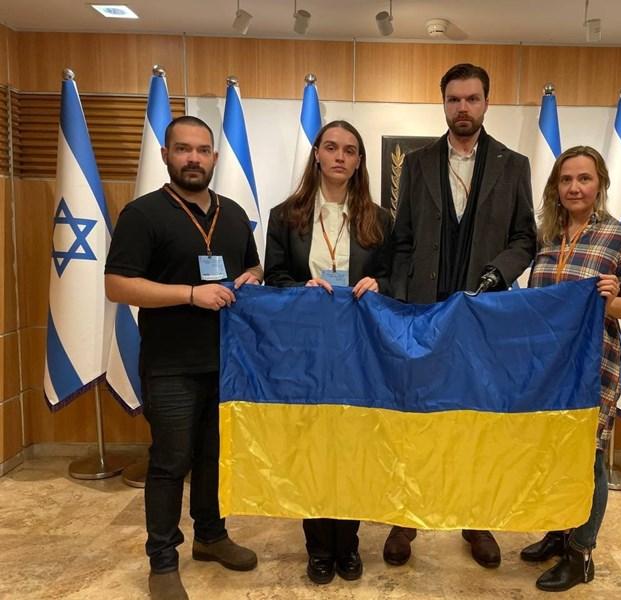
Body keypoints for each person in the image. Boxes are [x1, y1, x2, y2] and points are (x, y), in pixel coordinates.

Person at [105, 116, 262, 600]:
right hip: (170, 364)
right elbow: (117, 285)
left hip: (228, 364)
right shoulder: (143, 214)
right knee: (171, 461)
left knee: (214, 457)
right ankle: (162, 559)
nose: (193, 158)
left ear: (214, 157)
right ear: (166, 155)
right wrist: (191, 294)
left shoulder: (234, 214)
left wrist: (254, 277)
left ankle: (210, 536)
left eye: (202, 150)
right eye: (183, 149)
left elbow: (252, 265)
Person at [387, 63, 536, 568]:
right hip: (424, 316)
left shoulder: (514, 165)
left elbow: (525, 239)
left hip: (483, 316)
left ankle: (477, 520)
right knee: (416, 419)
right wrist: (405, 305)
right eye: (454, 99)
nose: (463, 108)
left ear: (487, 103)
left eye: (472, 99)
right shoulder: (417, 164)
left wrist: (497, 275)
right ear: (443, 104)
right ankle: (404, 518)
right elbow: (402, 240)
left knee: (477, 422)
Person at [263, 120, 393, 584]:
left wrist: (381, 283)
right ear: (317, 153)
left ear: (359, 161)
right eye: (332, 147)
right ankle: (318, 547)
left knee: (353, 447)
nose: (340, 156)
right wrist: (301, 288)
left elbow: (397, 276)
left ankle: (348, 544)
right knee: (313, 447)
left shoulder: (380, 219)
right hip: (307, 350)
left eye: (350, 150)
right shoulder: (285, 215)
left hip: (360, 352)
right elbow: (274, 277)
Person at [520, 146, 621, 592]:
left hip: (594, 366)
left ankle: (581, 553)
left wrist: (609, 301)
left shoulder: (620, 236)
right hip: (549, 367)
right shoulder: (547, 237)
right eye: (566, 179)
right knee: (555, 453)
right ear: (556, 187)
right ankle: (559, 531)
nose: (574, 187)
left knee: (588, 458)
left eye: (584, 178)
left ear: (600, 183)